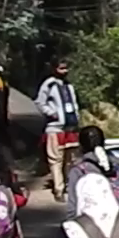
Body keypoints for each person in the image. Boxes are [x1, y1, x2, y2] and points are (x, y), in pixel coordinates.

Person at [35, 59, 81, 200]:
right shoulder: (49, 85)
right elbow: (39, 102)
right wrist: (51, 113)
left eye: (66, 68)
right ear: (55, 69)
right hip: (55, 128)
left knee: (69, 160)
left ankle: (68, 185)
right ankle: (58, 189)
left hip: (70, 128)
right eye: (61, 68)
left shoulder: (69, 86)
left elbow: (74, 103)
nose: (64, 71)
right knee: (56, 160)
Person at [66, 126, 119, 214]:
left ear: (81, 146)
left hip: (92, 222)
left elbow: (73, 204)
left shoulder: (79, 170)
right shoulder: (116, 165)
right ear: (103, 143)